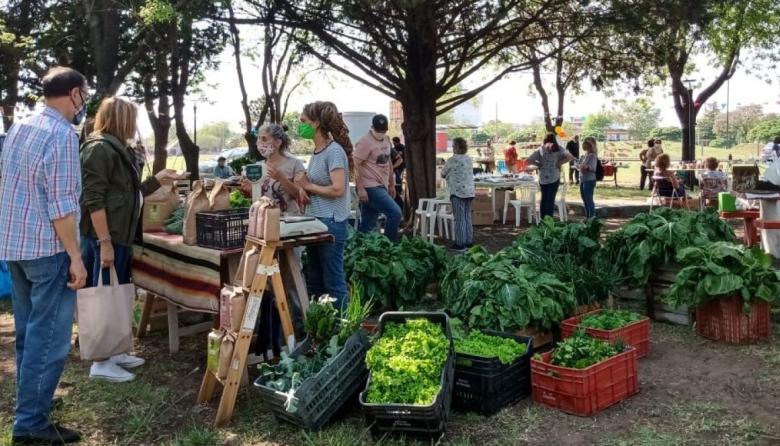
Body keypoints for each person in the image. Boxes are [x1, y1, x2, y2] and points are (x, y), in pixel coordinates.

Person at [0, 66, 89, 444]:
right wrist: (76, 257)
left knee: (28, 332)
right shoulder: (62, 135)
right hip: (48, 249)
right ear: (74, 94)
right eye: (84, 94)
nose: (85, 101)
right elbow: (63, 206)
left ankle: (33, 406)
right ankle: (31, 424)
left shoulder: (21, 126)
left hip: (14, 246)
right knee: (49, 340)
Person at [80, 97, 186, 383]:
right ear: (120, 119)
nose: (136, 126)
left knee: (118, 291)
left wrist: (159, 179)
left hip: (120, 236)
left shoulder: (117, 148)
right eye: (132, 119)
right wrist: (104, 242)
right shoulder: (99, 148)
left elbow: (130, 193)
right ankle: (100, 361)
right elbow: (94, 200)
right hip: (106, 237)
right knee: (102, 294)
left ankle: (115, 351)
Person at [253, 123, 306, 360]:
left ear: (277, 141)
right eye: (259, 139)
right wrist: (248, 190)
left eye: (264, 138)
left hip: (289, 230)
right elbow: (259, 197)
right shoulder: (258, 167)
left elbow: (299, 195)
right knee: (266, 283)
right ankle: (271, 333)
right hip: (265, 231)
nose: (260, 143)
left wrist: (282, 178)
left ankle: (300, 329)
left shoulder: (294, 164)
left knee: (291, 282)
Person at [293, 101, 352, 310]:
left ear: (317, 123)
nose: (300, 125)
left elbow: (338, 189)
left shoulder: (334, 152)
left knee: (333, 283)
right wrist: (304, 189)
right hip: (316, 222)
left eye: (303, 121)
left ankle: (344, 329)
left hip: (331, 224)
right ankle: (324, 330)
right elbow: (317, 184)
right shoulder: (317, 152)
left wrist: (309, 185)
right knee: (316, 281)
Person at [354, 114, 402, 242]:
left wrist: (392, 184)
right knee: (395, 213)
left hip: (383, 185)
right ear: (372, 127)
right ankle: (389, 246)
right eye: (378, 131)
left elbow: (389, 162)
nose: (380, 133)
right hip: (370, 186)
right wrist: (360, 188)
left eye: (383, 131)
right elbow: (355, 165)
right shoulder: (364, 142)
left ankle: (360, 248)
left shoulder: (386, 139)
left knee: (368, 221)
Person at [527, 133, 575, 219]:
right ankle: (549, 220)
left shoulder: (541, 149)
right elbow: (569, 157)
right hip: (554, 177)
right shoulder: (559, 148)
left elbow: (529, 160)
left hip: (543, 178)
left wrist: (539, 164)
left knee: (544, 199)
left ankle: (543, 219)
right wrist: (560, 162)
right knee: (550, 200)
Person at [441, 138, 475, 252]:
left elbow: (443, 173)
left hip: (458, 192)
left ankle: (460, 244)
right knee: (467, 217)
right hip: (469, 192)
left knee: (459, 218)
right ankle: (469, 241)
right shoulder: (469, 159)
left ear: (456, 147)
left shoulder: (452, 160)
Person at [578, 137, 598, 218]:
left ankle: (592, 218)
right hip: (582, 179)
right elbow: (581, 165)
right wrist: (579, 166)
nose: (585, 146)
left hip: (589, 180)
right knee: (585, 200)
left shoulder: (592, 156)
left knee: (589, 200)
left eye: (587, 145)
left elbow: (593, 168)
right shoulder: (586, 155)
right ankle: (587, 217)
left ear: (591, 145)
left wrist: (585, 167)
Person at [391, 136, 405, 211]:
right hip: (400, 168)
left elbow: (399, 159)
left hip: (396, 170)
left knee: (394, 194)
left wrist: (392, 167)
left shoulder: (395, 148)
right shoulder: (402, 146)